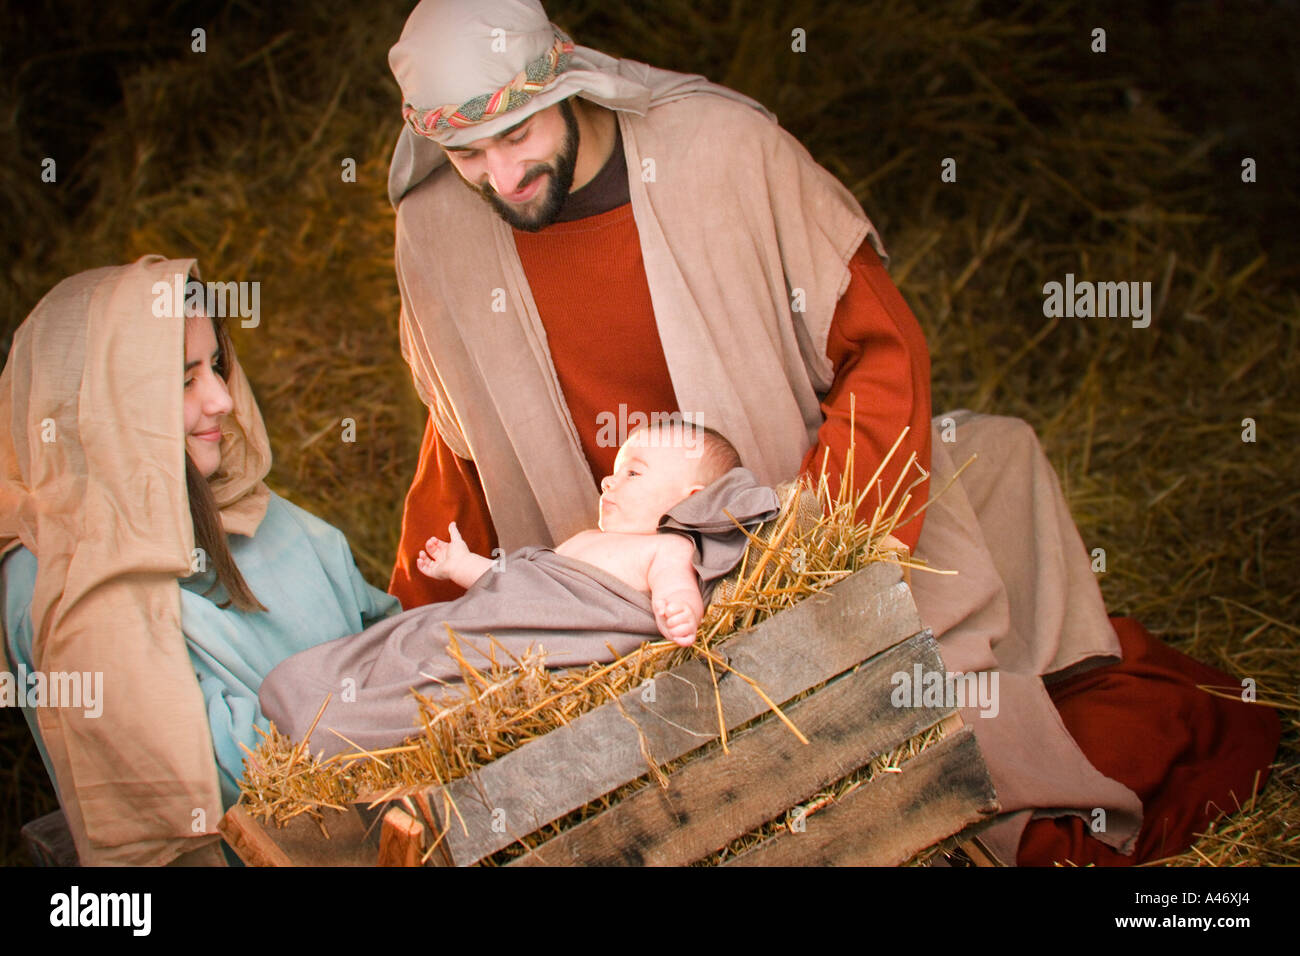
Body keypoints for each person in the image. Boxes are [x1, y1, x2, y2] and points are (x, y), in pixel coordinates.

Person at [378, 0, 1280, 866]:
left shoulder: (725, 154)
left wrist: (820, 558)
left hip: (792, 543)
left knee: (912, 757)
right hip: (601, 601)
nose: (499, 178)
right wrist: (423, 637)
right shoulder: (436, 229)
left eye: (516, 136)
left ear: (564, 83)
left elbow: (882, 351)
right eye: (464, 154)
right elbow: (461, 434)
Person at [0, 257, 400, 866]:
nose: (221, 399)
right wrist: (414, 700)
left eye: (216, 367)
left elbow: (385, 626)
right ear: (106, 405)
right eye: (184, 380)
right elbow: (234, 779)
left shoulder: (247, 506)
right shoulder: (70, 586)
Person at [258, 421, 780, 759]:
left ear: (687, 501)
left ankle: (346, 726)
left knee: (432, 688)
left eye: (633, 473)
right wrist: (461, 565)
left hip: (515, 651)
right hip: (477, 624)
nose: (609, 483)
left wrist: (680, 611)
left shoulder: (665, 550)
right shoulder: (583, 541)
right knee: (402, 643)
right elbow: (513, 586)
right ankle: (321, 693)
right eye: (614, 471)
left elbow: (676, 592)